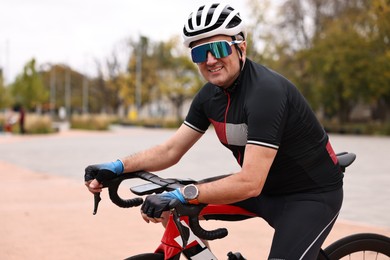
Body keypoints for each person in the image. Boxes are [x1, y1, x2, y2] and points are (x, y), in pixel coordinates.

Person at [85, 3, 343, 259]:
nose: (210, 60)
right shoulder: (209, 97)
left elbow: (250, 182)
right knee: (173, 210)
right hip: (263, 189)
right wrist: (118, 166)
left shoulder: (267, 93)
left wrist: (183, 192)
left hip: (309, 195)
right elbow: (171, 150)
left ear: (241, 46)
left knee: (182, 197)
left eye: (219, 48)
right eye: (200, 53)